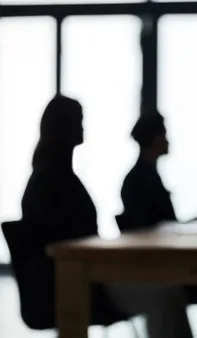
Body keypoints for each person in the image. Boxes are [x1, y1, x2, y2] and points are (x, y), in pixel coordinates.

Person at [20, 95, 125, 329]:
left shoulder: (52, 176)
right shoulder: (51, 181)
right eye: (78, 121)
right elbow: (69, 241)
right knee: (163, 294)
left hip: (79, 277)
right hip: (75, 282)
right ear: (63, 127)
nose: (82, 127)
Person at [116, 110, 197, 305]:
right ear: (155, 138)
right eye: (165, 135)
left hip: (165, 265)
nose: (169, 141)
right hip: (165, 270)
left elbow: (166, 228)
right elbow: (158, 232)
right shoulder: (142, 180)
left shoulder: (143, 176)